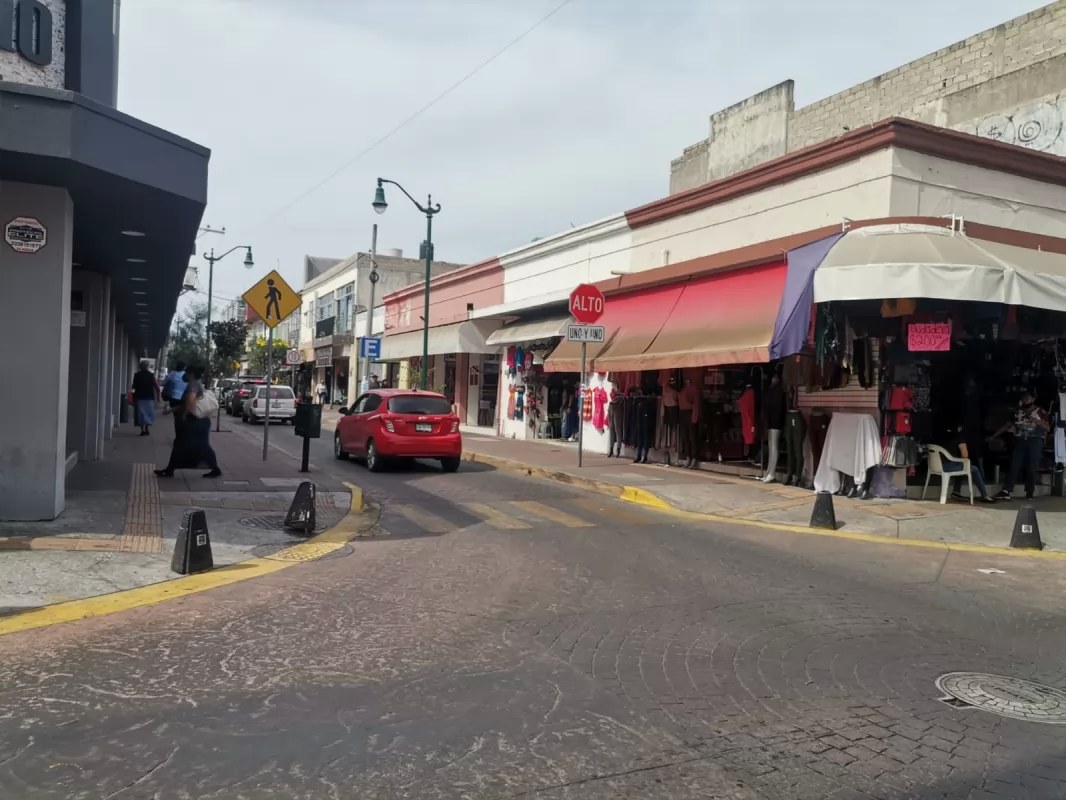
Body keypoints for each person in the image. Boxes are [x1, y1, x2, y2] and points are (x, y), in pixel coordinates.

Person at [155, 365, 222, 479]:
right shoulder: (195, 384)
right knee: (184, 444)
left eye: (186, 373)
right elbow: (185, 403)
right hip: (198, 422)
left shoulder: (193, 384)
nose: (184, 375)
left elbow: (190, 401)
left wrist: (184, 415)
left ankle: (215, 469)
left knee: (198, 445)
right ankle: (170, 469)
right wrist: (171, 410)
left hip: (194, 422)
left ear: (191, 374)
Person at [992, 389, 1050, 501]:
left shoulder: (1040, 412)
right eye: (1023, 398)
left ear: (1033, 399)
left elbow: (1047, 428)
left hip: (1034, 440)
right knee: (1014, 464)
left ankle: (1029, 492)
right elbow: (1008, 424)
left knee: (1031, 466)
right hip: (1020, 440)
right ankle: (1007, 490)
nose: (1025, 400)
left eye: (1027, 398)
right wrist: (994, 435)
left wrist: (1038, 421)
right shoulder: (1017, 411)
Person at [943, 424, 995, 504]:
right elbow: (965, 455)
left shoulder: (942, 436)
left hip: (937, 466)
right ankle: (985, 495)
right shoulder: (960, 437)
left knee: (961, 465)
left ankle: (956, 492)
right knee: (973, 468)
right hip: (948, 466)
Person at [131, 360, 160, 436]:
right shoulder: (151, 375)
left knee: (140, 415)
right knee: (148, 414)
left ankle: (142, 430)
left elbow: (133, 387)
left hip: (139, 397)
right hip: (149, 398)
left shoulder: (136, 375)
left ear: (140, 366)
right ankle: (147, 428)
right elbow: (157, 387)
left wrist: (132, 395)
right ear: (147, 367)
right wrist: (158, 396)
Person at [161, 361, 188, 437]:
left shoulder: (172, 374)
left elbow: (163, 383)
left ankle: (178, 435)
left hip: (174, 398)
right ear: (184, 367)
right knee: (183, 417)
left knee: (177, 418)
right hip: (184, 398)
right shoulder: (186, 375)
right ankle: (182, 434)